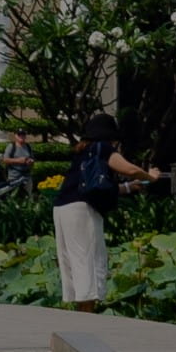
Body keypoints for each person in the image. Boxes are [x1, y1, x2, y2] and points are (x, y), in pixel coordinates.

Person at [51, 111, 156, 310]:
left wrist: (127, 188)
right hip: (82, 210)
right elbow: (129, 169)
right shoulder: (102, 147)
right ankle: (87, 315)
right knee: (88, 258)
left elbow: (95, 186)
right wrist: (150, 176)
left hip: (63, 208)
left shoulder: (83, 151)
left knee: (74, 260)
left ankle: (81, 311)